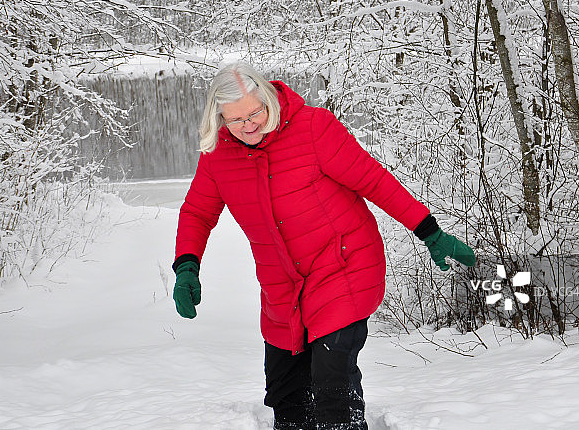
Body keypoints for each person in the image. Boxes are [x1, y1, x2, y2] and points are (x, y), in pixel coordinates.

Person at [172, 61, 475, 430]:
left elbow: (374, 181)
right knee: (287, 396)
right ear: (219, 118)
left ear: (268, 98)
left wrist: (429, 231)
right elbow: (197, 213)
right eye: (236, 120)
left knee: (333, 384)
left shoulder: (313, 128)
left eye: (256, 112)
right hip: (283, 287)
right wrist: (187, 266)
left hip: (343, 266)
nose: (249, 124)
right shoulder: (218, 156)